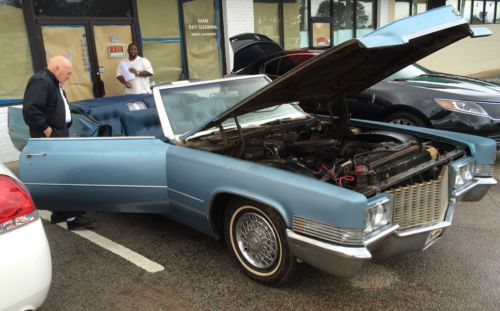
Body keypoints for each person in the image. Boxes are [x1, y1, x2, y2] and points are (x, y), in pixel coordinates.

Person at [22, 55, 96, 230]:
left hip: (58, 136)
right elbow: (31, 111)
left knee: (55, 176)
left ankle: (58, 213)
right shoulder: (41, 82)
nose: (70, 76)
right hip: (51, 139)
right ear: (56, 68)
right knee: (65, 176)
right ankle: (73, 218)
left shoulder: (53, 82)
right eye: (68, 72)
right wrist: (49, 132)